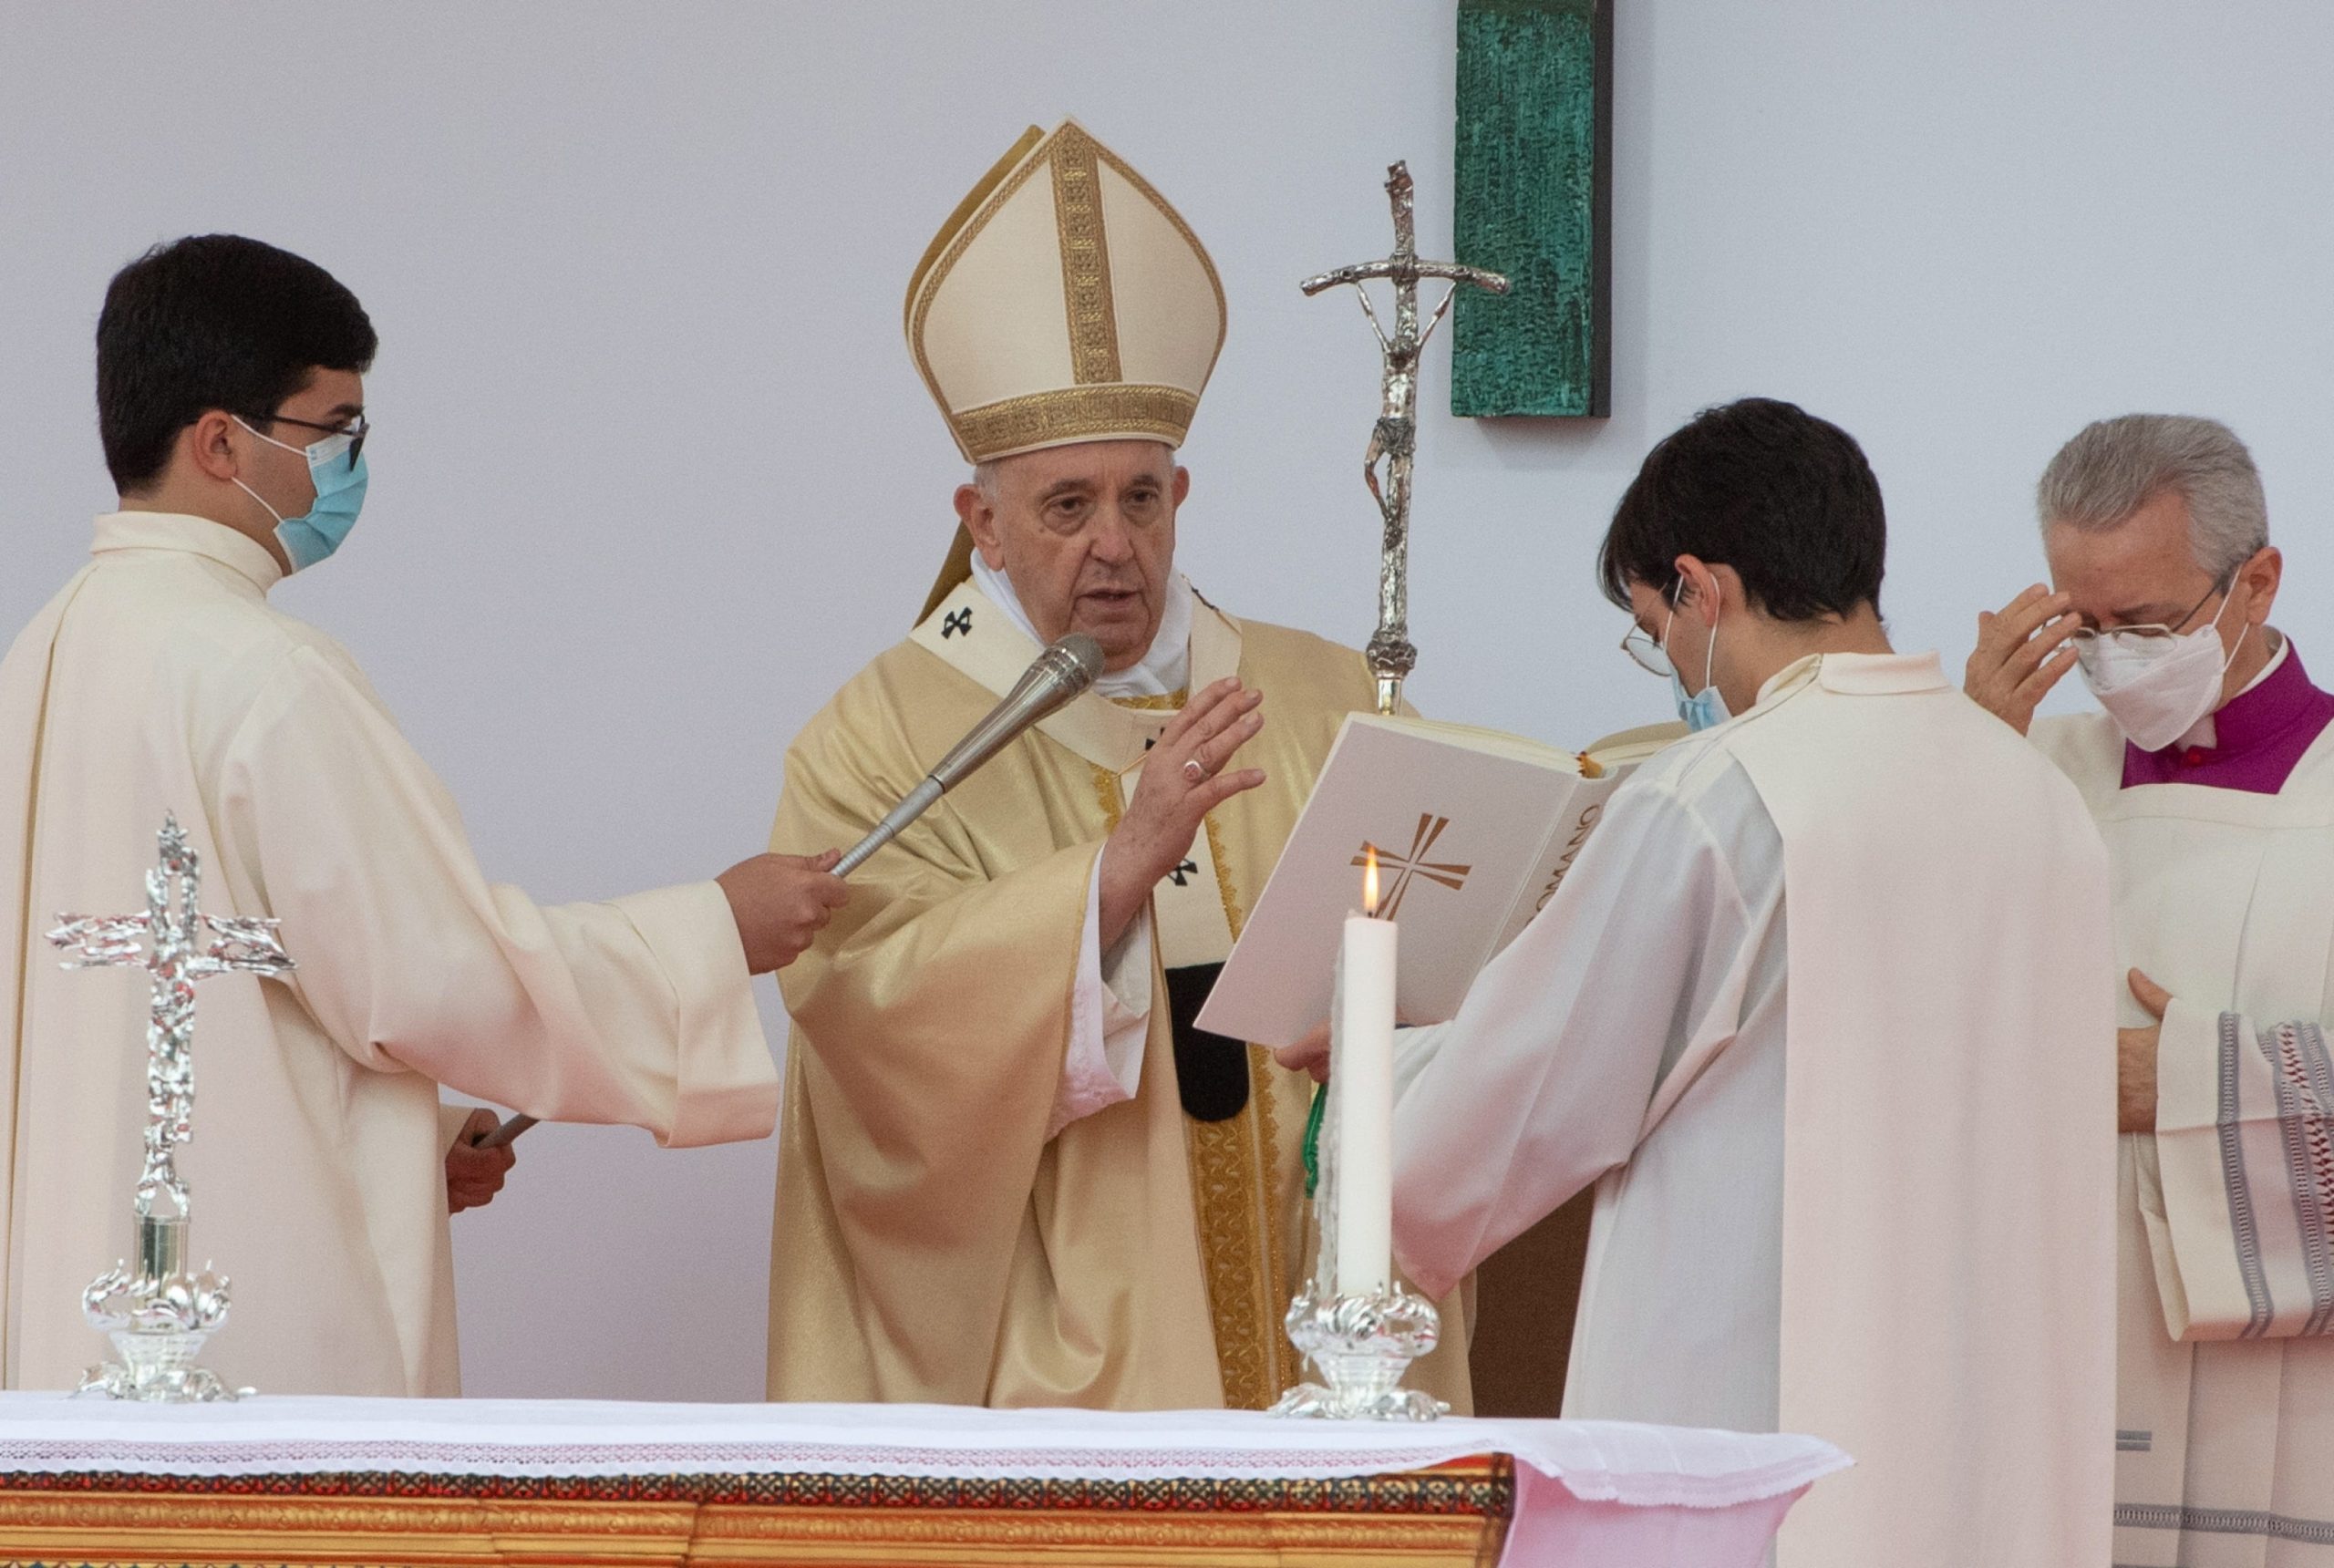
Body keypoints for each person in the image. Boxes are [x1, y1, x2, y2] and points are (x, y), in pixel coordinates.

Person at [0, 234, 846, 1397]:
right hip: (253, 1350)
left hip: (57, 1350)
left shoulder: (39, 663)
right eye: (332, 428)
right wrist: (709, 933)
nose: (350, 465)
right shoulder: (262, 676)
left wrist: (399, 1143)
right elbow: (424, 974)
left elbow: (199, 1034)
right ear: (218, 442)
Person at [1289, 398, 2116, 1565]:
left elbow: (1525, 1097)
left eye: (1651, 624)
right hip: (1990, 1439)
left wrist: (1377, 1072)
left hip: (1751, 1440)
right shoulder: (2032, 794)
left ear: (1698, 588)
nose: (1671, 662)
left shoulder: (1718, 794)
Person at [764, 119, 1472, 1411]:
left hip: (1318, 1308)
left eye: (1141, 500)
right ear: (979, 520)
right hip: (1059, 1343)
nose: (1113, 546)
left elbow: (1440, 972)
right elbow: (863, 1023)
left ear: (1182, 497)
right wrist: (1109, 880)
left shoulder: (1322, 700)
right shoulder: (883, 737)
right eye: (1067, 506)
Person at [1965, 413, 2334, 1565]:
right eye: (2086, 626)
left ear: (2256, 582)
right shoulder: (2022, 772)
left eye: (2148, 624)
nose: (2114, 657)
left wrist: (2186, 1080)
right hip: (2045, 1346)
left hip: (2285, 1400)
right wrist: (1961, 759)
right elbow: (1898, 1016)